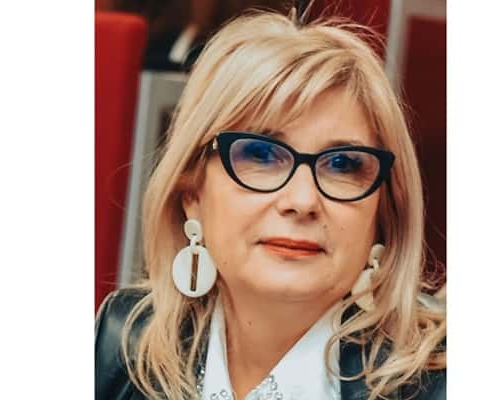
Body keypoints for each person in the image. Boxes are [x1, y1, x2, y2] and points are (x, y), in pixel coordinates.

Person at [96, 7, 446, 400]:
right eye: (260, 155)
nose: (302, 201)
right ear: (192, 194)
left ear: (382, 211)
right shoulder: (123, 342)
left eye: (342, 164)